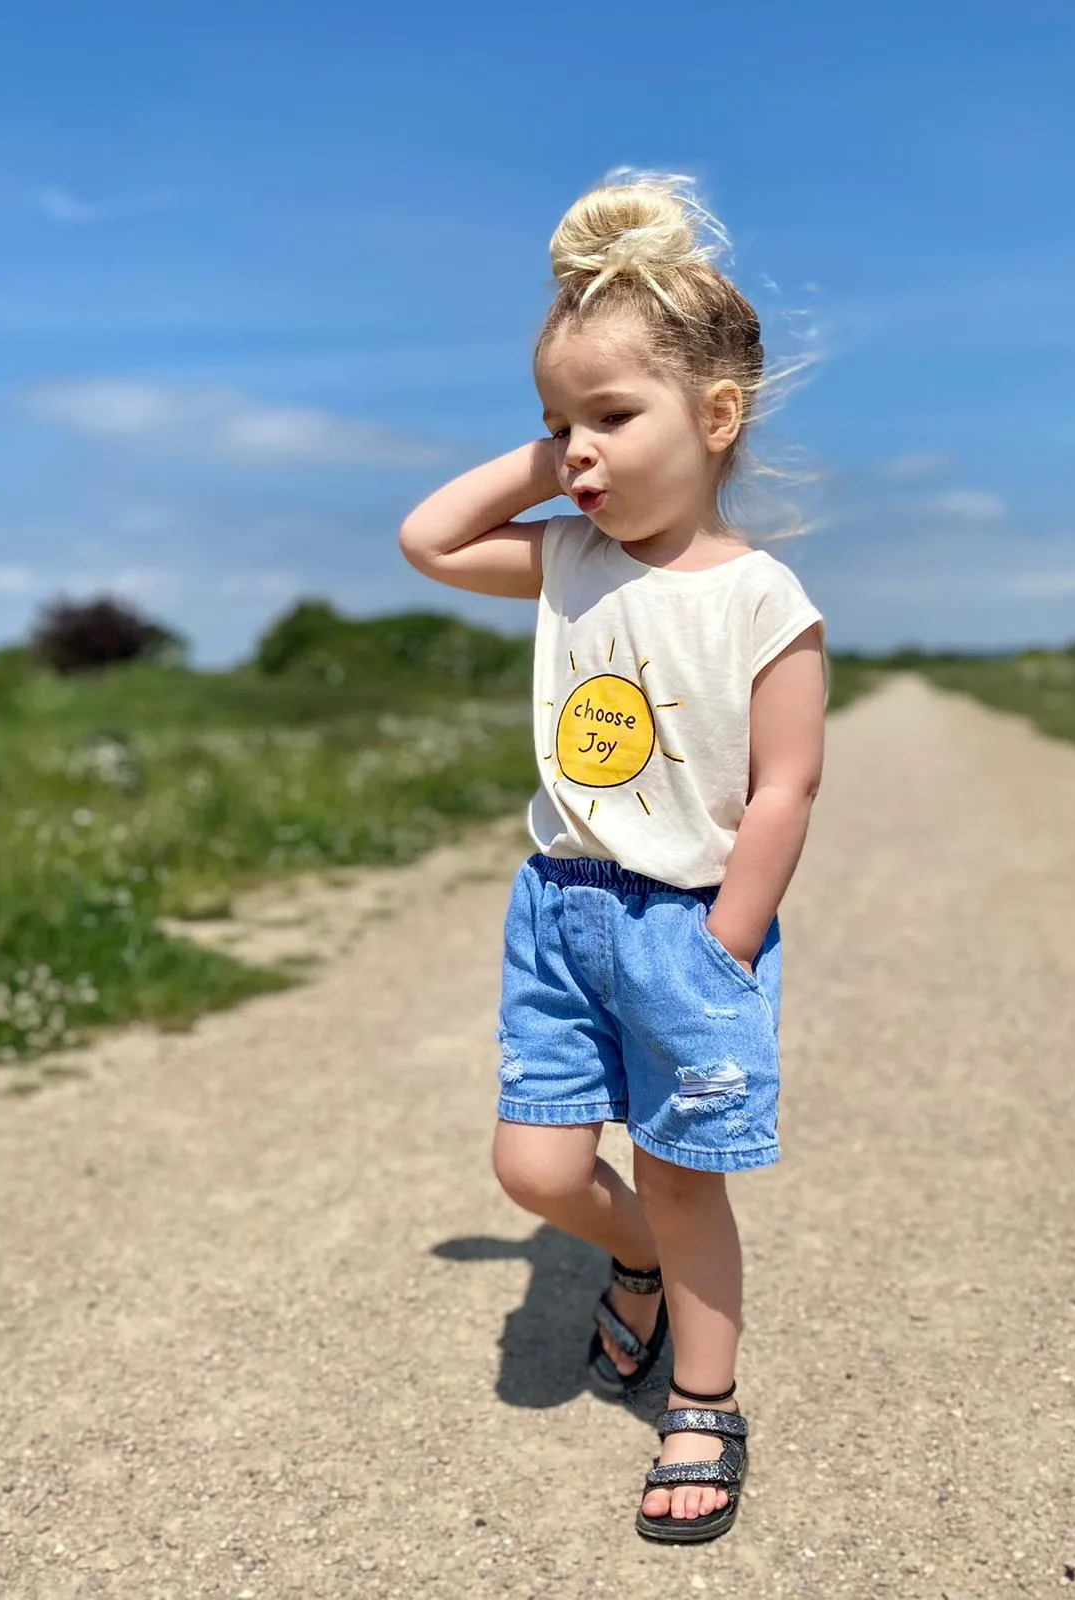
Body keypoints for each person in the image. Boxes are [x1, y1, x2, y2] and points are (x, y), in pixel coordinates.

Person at [399, 172, 826, 1545]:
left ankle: (704, 1398)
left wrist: (733, 940)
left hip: (687, 924)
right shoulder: (571, 557)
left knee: (688, 1171)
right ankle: (625, 1256)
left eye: (613, 418)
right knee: (534, 1170)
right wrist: (560, 447)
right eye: (557, 422)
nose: (579, 452)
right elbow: (428, 538)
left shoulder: (762, 599)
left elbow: (786, 785)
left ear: (717, 418)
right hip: (561, 910)